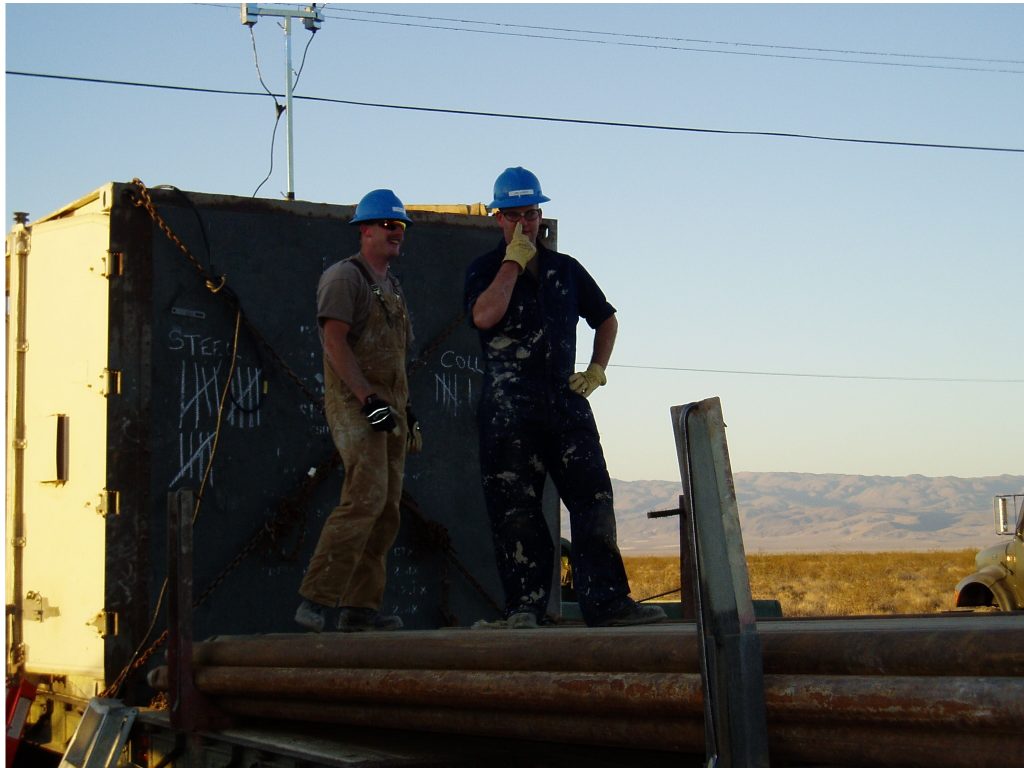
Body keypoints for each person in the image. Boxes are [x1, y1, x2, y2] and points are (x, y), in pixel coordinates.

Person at [463, 167, 666, 628]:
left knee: (594, 500)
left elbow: (606, 319)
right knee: (515, 511)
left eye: (531, 214)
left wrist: (596, 369)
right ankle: (524, 609)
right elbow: (483, 316)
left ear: (540, 215)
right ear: (498, 218)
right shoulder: (484, 270)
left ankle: (608, 603)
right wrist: (512, 263)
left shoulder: (566, 270)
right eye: (513, 215)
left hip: (565, 405)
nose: (524, 224)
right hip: (508, 412)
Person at [295, 189, 423, 633]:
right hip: (357, 406)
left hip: (390, 409)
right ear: (364, 230)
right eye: (388, 225)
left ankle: (359, 610)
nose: (396, 233)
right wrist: (368, 400)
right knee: (364, 499)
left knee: (386, 508)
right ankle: (315, 599)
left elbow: (394, 356)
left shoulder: (392, 285)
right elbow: (334, 342)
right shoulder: (344, 278)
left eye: (400, 226)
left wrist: (406, 410)